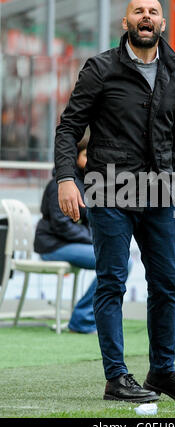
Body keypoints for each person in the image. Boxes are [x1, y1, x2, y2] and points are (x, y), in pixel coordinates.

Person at [54, 0, 175, 403]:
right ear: (126, 21)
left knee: (166, 284)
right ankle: (117, 378)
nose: (146, 17)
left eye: (153, 12)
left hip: (160, 190)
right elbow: (69, 127)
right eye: (139, 11)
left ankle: (162, 372)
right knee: (111, 283)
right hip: (108, 187)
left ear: (162, 23)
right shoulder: (101, 68)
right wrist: (67, 178)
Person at [35, 138, 96, 334]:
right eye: (87, 155)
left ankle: (86, 317)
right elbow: (62, 226)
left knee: (119, 261)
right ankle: (82, 318)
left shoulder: (88, 184)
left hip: (71, 244)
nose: (91, 160)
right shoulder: (60, 185)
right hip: (53, 246)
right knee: (117, 262)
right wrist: (92, 238)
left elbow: (90, 222)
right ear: (76, 157)